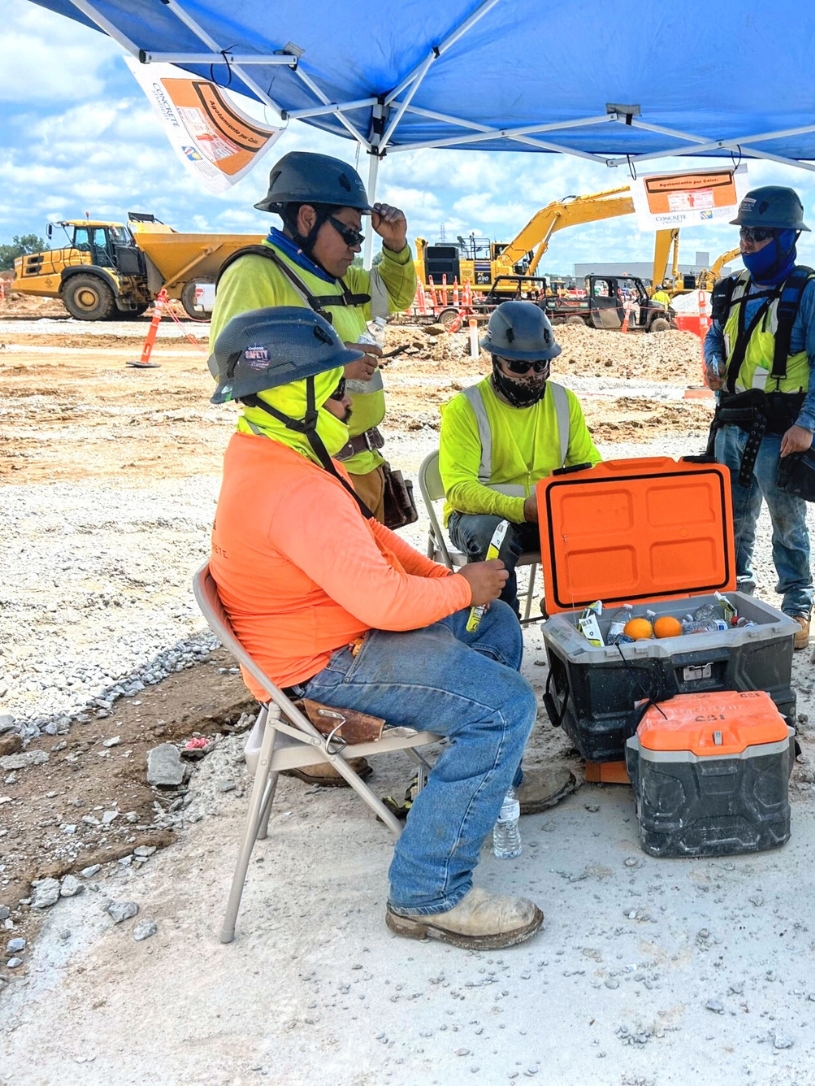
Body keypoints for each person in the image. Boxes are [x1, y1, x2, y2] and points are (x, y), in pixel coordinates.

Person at [208, 307, 544, 950]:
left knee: (495, 625)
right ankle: (428, 894)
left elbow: (368, 539)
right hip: (323, 660)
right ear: (293, 390)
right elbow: (385, 605)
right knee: (504, 707)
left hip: (330, 632)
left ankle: (471, 787)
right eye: (331, 386)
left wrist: (446, 578)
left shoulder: (269, 450)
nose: (345, 398)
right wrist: (456, 587)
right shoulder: (293, 488)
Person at [211, 150, 416, 523]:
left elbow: (394, 295)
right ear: (307, 218)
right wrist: (332, 361)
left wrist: (396, 246)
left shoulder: (337, 275)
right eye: (351, 232)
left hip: (359, 463)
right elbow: (233, 364)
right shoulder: (256, 272)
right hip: (312, 470)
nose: (356, 245)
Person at [703, 186, 815, 650]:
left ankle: (797, 604)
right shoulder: (731, 288)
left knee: (787, 520)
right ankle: (736, 596)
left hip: (781, 429)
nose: (747, 243)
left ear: (787, 238)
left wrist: (809, 423)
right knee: (732, 518)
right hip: (733, 422)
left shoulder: (810, 293)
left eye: (759, 234)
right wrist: (712, 359)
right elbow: (714, 334)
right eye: (744, 233)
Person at [440, 301, 601, 617]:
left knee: (601, 528)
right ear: (495, 361)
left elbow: (591, 469)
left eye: (540, 365)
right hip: (477, 517)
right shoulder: (466, 408)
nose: (531, 375)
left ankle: (577, 621)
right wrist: (522, 509)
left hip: (545, 513)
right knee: (493, 535)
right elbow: (459, 490)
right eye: (518, 366)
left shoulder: (563, 402)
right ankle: (501, 632)